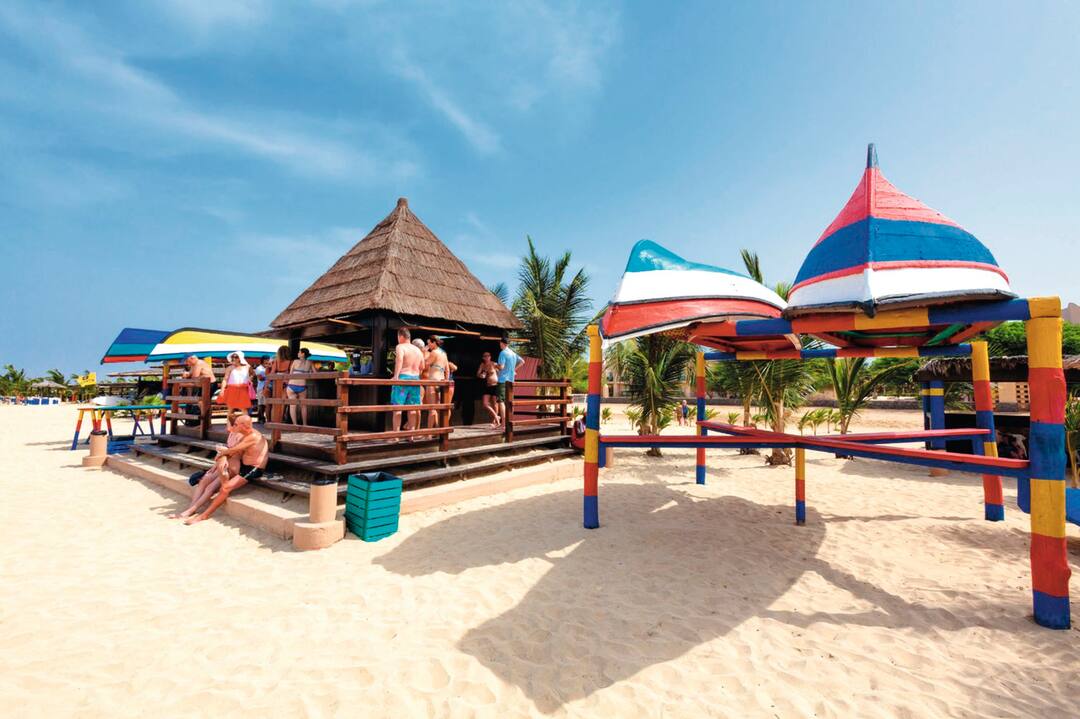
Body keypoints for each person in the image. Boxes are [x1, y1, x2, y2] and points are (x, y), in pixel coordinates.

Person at [185, 414, 268, 525]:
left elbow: (232, 450)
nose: (234, 426)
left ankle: (204, 515)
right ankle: (219, 483)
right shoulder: (244, 435)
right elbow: (232, 452)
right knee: (220, 472)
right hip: (243, 465)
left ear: (244, 426)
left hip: (254, 468)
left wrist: (220, 454)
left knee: (225, 488)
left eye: (236, 424)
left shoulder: (252, 437)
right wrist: (221, 456)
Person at [170, 410, 244, 520]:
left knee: (210, 487)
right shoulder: (231, 434)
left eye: (227, 423)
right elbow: (224, 454)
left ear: (234, 425)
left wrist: (224, 451)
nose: (226, 426)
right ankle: (191, 508)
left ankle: (190, 511)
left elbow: (236, 454)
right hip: (222, 463)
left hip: (232, 466)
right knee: (204, 479)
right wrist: (214, 466)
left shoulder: (241, 437)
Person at [390, 328, 424, 438]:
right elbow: (422, 366)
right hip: (415, 379)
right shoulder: (418, 350)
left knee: (397, 408)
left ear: (401, 336)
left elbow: (399, 360)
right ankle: (411, 435)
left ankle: (395, 436)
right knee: (412, 408)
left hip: (403, 378)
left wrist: (396, 376)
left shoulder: (400, 347)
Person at [422, 336, 457, 430]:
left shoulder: (434, 352)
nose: (428, 345)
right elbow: (447, 370)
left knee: (432, 408)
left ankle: (429, 434)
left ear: (434, 343)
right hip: (441, 382)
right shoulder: (444, 353)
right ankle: (439, 429)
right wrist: (446, 381)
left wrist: (424, 352)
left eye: (429, 343)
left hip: (433, 381)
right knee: (439, 407)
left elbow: (424, 365)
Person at [495, 336, 524, 428]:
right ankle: (509, 422)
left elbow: (501, 367)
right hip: (511, 380)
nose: (499, 344)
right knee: (509, 401)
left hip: (503, 380)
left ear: (502, 343)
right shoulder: (512, 353)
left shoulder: (503, 353)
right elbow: (522, 362)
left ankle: (503, 424)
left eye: (500, 343)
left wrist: (495, 365)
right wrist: (513, 370)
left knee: (501, 401)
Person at [286, 347, 314, 426]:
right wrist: (308, 372)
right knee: (303, 406)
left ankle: (295, 424)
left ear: (303, 354)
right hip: (302, 386)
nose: (298, 353)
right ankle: (305, 424)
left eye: (299, 352)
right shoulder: (310, 362)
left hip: (291, 385)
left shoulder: (295, 361)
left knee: (292, 406)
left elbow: (290, 374)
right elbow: (315, 373)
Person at [476, 350, 501, 427]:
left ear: (490, 357)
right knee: (485, 403)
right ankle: (496, 416)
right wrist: (481, 375)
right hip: (488, 385)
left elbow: (501, 371)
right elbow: (478, 374)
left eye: (488, 356)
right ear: (483, 358)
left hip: (495, 385)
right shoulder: (482, 365)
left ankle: (495, 421)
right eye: (485, 356)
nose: (487, 357)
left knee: (495, 403)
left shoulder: (494, 364)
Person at [268, 346, 292, 423]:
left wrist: (267, 384)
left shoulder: (276, 361)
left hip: (276, 382)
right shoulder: (291, 362)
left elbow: (272, 373)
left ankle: (273, 421)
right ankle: (280, 421)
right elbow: (291, 374)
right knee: (283, 404)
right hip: (286, 383)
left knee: (275, 403)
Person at [254, 356, 270, 423]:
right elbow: (260, 378)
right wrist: (269, 377)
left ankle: (265, 418)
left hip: (268, 387)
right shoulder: (259, 368)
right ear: (263, 360)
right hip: (261, 387)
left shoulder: (269, 367)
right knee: (261, 403)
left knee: (266, 403)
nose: (268, 361)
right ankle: (260, 418)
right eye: (267, 359)